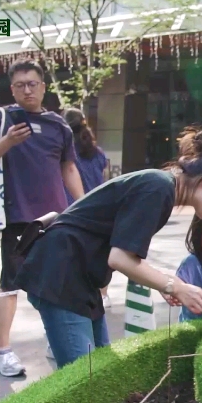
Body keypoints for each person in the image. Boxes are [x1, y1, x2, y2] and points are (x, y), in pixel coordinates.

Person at [15, 127, 202, 368]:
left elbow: (125, 255)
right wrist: (176, 287)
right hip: (61, 272)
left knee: (99, 371)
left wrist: (167, 284)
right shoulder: (159, 188)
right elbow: (120, 258)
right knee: (83, 378)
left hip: (79, 276)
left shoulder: (161, 187)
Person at [0, 59, 86, 377]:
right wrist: (7, 141)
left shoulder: (58, 125)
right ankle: (3, 352)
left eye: (32, 84)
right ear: (12, 89)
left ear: (43, 87)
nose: (27, 89)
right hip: (18, 217)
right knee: (11, 285)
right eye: (20, 85)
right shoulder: (1, 118)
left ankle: (57, 339)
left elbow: (69, 167)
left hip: (56, 219)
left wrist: (84, 204)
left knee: (59, 284)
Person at [63, 107, 114, 308]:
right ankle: (103, 295)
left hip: (70, 208)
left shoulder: (65, 154)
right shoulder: (98, 153)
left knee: (73, 255)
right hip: (99, 207)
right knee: (100, 254)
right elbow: (105, 178)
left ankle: (73, 295)